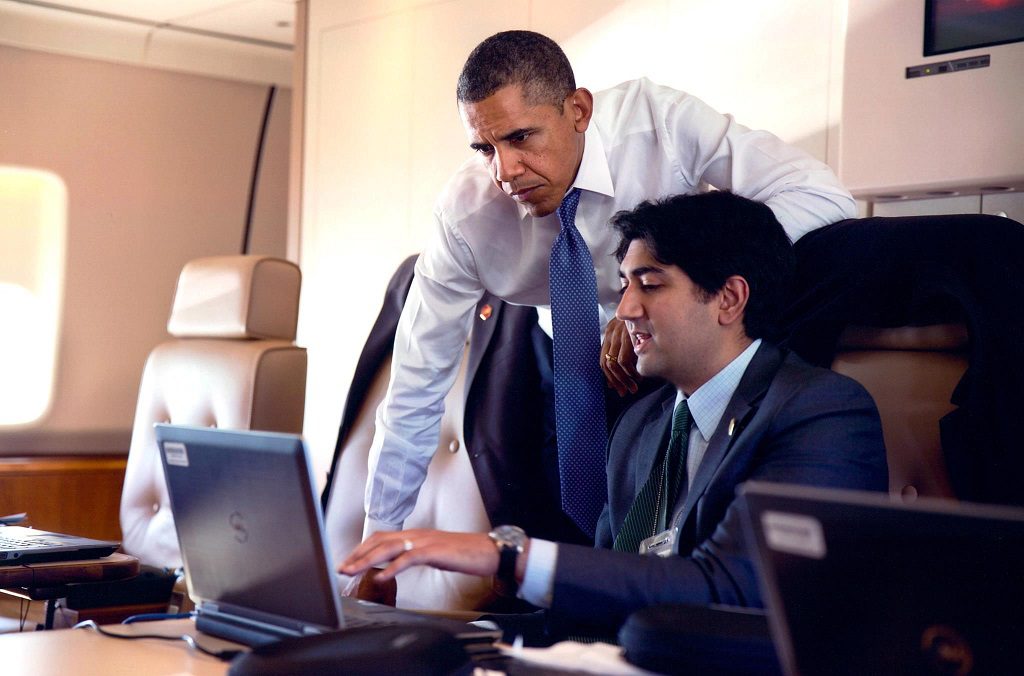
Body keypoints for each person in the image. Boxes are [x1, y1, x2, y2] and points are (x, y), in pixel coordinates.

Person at [365, 30, 857, 543]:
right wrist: (378, 536)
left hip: (674, 351)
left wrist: (650, 297)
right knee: (542, 533)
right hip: (550, 351)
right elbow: (416, 382)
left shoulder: (660, 124)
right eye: (484, 148)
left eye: (519, 138)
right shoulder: (466, 214)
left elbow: (819, 195)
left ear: (578, 110)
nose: (504, 171)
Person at [342, 191, 888, 634]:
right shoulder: (641, 427)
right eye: (625, 284)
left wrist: (508, 556)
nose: (625, 309)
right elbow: (599, 600)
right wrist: (459, 639)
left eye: (650, 284)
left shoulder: (821, 412)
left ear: (729, 299)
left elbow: (735, 589)